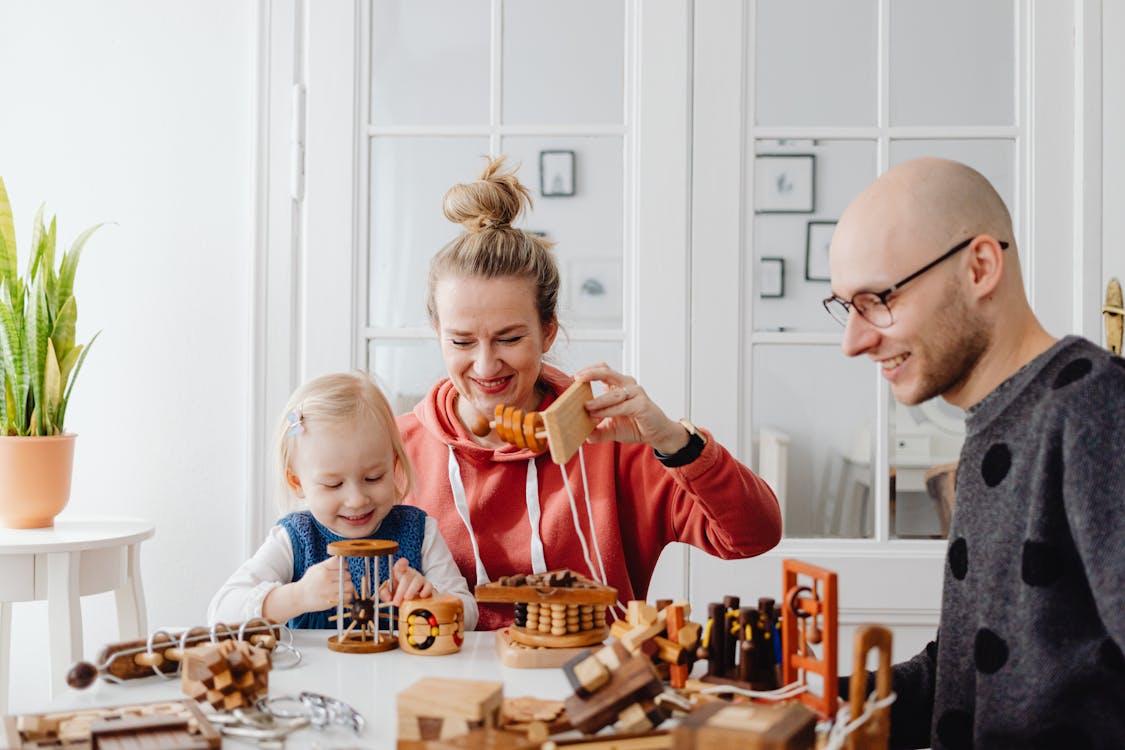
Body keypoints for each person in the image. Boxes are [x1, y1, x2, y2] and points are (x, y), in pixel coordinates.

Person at [397, 157, 782, 631]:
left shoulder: (612, 440)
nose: (484, 365)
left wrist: (673, 441)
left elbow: (753, 536)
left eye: (510, 338)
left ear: (549, 332)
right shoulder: (396, 449)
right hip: (446, 687)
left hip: (594, 692)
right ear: (437, 332)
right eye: (461, 341)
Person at [825, 157, 1125, 748]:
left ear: (980, 267)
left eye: (876, 299)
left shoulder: (1095, 406)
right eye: (845, 306)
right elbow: (970, 674)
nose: (853, 341)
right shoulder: (997, 420)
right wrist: (810, 701)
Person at [209, 372, 477, 630]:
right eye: (333, 484)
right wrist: (298, 596)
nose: (357, 500)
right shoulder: (295, 539)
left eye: (373, 477)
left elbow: (470, 613)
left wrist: (431, 601)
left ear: (394, 466)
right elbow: (221, 613)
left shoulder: (419, 531)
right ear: (297, 483)